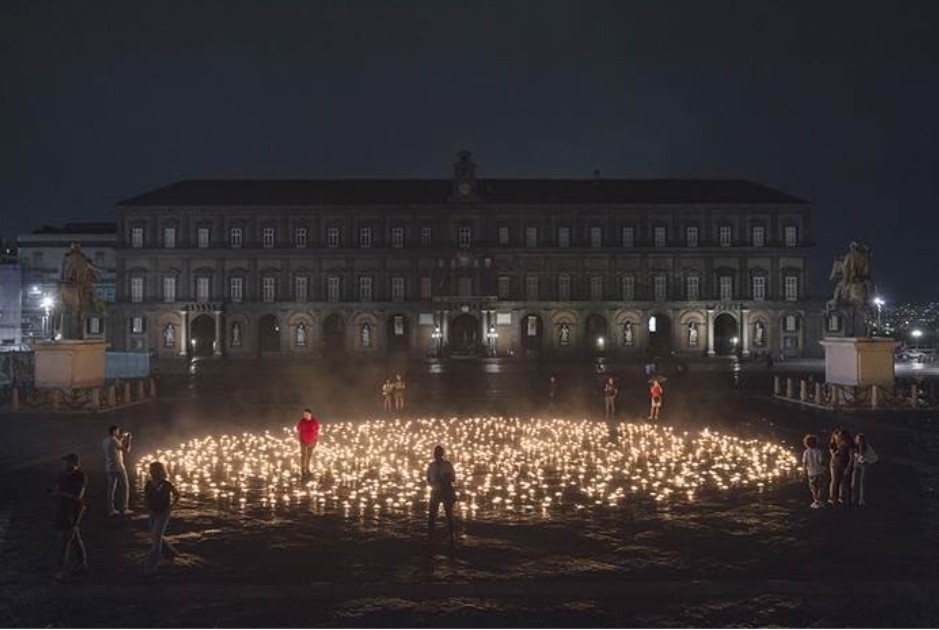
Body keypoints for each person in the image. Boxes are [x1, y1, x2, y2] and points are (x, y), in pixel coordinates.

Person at [50, 453, 87, 580]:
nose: (65, 464)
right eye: (65, 462)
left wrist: (60, 493)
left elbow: (78, 496)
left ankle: (61, 570)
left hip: (74, 511)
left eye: (68, 462)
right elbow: (55, 489)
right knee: (74, 538)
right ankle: (82, 562)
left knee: (65, 540)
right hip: (62, 510)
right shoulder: (62, 475)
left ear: (74, 463)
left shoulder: (79, 476)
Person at [143, 461, 181, 576]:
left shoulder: (166, 484)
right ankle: (171, 553)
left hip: (163, 513)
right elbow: (146, 498)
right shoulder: (149, 484)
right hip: (153, 513)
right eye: (151, 470)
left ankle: (151, 565)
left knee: (157, 537)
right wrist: (148, 509)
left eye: (154, 470)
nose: (152, 472)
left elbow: (177, 495)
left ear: (160, 471)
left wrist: (171, 507)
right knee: (155, 534)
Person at [426, 445, 457, 545]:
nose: (436, 455)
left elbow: (453, 479)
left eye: (438, 453)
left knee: (449, 514)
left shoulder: (447, 465)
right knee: (432, 515)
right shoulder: (432, 466)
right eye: (435, 453)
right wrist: (433, 481)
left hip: (447, 491)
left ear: (442, 454)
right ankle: (431, 537)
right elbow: (428, 479)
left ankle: (452, 536)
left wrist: (446, 478)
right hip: (436, 491)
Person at [102, 425, 132, 516]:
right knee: (125, 486)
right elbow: (126, 450)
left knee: (111, 489)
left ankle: (111, 509)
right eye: (117, 431)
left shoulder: (105, 441)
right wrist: (129, 440)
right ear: (115, 431)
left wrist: (122, 438)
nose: (118, 433)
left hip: (109, 467)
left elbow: (117, 446)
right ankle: (124, 508)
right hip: (118, 467)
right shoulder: (114, 441)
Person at [851, 433, 878, 507]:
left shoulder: (866, 447)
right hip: (858, 464)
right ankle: (855, 497)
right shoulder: (855, 445)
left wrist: (866, 459)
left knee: (861, 481)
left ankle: (860, 499)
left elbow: (875, 457)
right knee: (855, 481)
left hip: (864, 464)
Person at [828, 429, 854, 505]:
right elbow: (834, 455)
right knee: (835, 480)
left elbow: (852, 457)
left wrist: (849, 467)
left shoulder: (849, 444)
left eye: (840, 437)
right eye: (837, 437)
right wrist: (839, 448)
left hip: (845, 463)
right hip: (835, 463)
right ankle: (832, 498)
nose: (838, 439)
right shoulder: (833, 444)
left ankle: (841, 497)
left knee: (844, 480)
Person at [801, 434, 826, 509]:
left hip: (811, 472)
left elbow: (804, 463)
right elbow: (821, 461)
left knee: (813, 488)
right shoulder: (818, 451)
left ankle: (815, 501)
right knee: (820, 487)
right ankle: (819, 500)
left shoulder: (806, 452)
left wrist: (804, 471)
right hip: (819, 471)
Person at [296, 408, 320, 480]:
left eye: (307, 414)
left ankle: (307, 468)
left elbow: (317, 429)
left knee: (309, 455)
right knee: (304, 455)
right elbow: (298, 428)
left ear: (310, 415)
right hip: (303, 440)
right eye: (304, 414)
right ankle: (303, 470)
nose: (305, 416)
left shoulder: (314, 421)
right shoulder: (302, 421)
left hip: (312, 441)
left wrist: (315, 439)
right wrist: (300, 437)